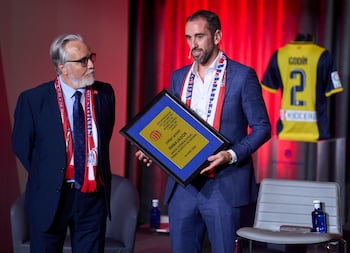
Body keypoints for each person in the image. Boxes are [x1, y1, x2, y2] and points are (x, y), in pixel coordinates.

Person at [136, 10, 271, 253]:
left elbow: (262, 128)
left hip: (224, 183)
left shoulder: (242, 76)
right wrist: (152, 150)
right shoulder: (179, 77)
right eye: (188, 38)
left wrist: (230, 155)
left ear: (217, 36)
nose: (193, 44)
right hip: (184, 186)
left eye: (199, 37)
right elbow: (171, 126)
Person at [12, 34, 115, 253]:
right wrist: (51, 172)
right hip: (50, 196)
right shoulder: (33, 100)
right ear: (62, 68)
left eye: (91, 57)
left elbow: (104, 138)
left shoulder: (105, 94)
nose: (91, 65)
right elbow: (22, 146)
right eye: (82, 61)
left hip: (91, 196)